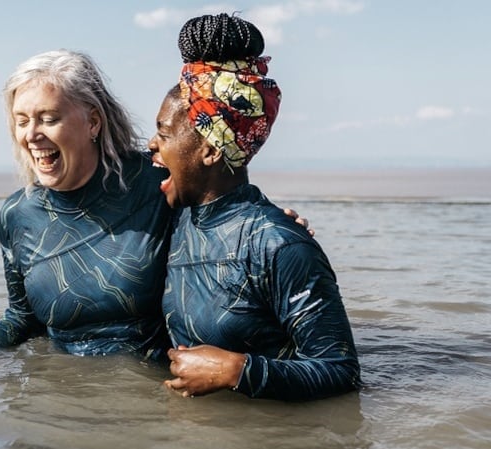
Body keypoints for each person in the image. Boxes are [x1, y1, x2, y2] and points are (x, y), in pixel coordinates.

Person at [0, 49, 312, 361]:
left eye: (48, 119)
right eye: (22, 121)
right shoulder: (17, 214)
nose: (32, 135)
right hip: (63, 395)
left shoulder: (158, 182)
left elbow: (224, 209)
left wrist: (274, 233)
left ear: (93, 122)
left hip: (157, 392)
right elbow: (21, 318)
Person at [149, 13, 361, 400]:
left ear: (211, 150)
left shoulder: (278, 244)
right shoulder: (179, 218)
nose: (150, 144)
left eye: (163, 133)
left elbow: (341, 371)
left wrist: (237, 370)